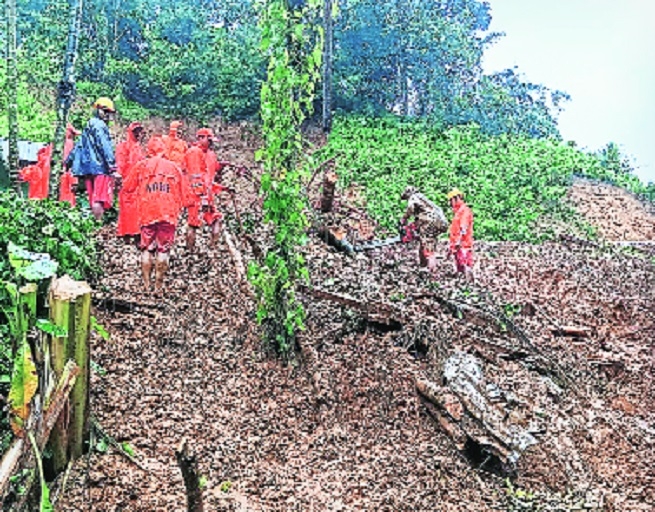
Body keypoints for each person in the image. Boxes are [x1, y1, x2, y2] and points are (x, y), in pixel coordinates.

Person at [122, 137, 192, 294]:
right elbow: (186, 195)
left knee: (146, 248)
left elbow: (127, 187)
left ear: (149, 150)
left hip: (147, 212)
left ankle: (146, 285)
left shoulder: (142, 166)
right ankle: (158, 287)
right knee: (163, 250)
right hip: (168, 213)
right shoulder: (174, 168)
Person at [182, 128, 234, 250]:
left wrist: (223, 188)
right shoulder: (193, 153)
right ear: (200, 138)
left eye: (211, 140)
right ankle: (189, 252)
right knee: (193, 225)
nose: (211, 143)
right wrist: (203, 197)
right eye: (208, 139)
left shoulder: (211, 154)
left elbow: (210, 178)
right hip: (196, 196)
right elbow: (195, 178)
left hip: (207, 195)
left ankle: (213, 249)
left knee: (216, 219)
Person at [66, 97, 117, 220]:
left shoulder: (88, 125)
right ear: (98, 110)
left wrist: (67, 162)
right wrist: (112, 167)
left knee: (93, 197)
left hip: (88, 169)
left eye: (109, 113)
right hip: (100, 168)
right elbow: (104, 146)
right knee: (99, 198)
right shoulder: (100, 126)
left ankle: (94, 225)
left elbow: (79, 146)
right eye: (105, 112)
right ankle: (98, 225)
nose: (107, 116)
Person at [400, 186, 448, 275]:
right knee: (427, 244)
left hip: (430, 222)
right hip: (440, 223)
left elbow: (411, 208)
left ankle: (432, 273)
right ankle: (424, 267)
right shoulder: (425, 200)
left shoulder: (414, 197)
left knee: (428, 247)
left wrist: (404, 219)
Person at [115, 122, 146, 239]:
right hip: (127, 182)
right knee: (126, 208)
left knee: (136, 208)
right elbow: (120, 163)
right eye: (136, 131)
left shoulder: (138, 147)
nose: (138, 134)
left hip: (138, 183)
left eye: (139, 131)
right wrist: (119, 176)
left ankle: (135, 232)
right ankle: (126, 233)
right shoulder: (124, 146)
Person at [447, 188, 474, 281]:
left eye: (451, 200)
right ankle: (462, 284)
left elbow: (464, 228)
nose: (450, 203)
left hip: (463, 244)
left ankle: (469, 284)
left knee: (466, 264)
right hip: (457, 244)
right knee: (459, 266)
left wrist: (459, 241)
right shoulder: (457, 211)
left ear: (457, 198)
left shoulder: (464, 210)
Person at [59, 124, 81, 206]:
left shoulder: (56, 143)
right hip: (67, 175)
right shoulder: (69, 144)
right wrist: (75, 180)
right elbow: (73, 162)